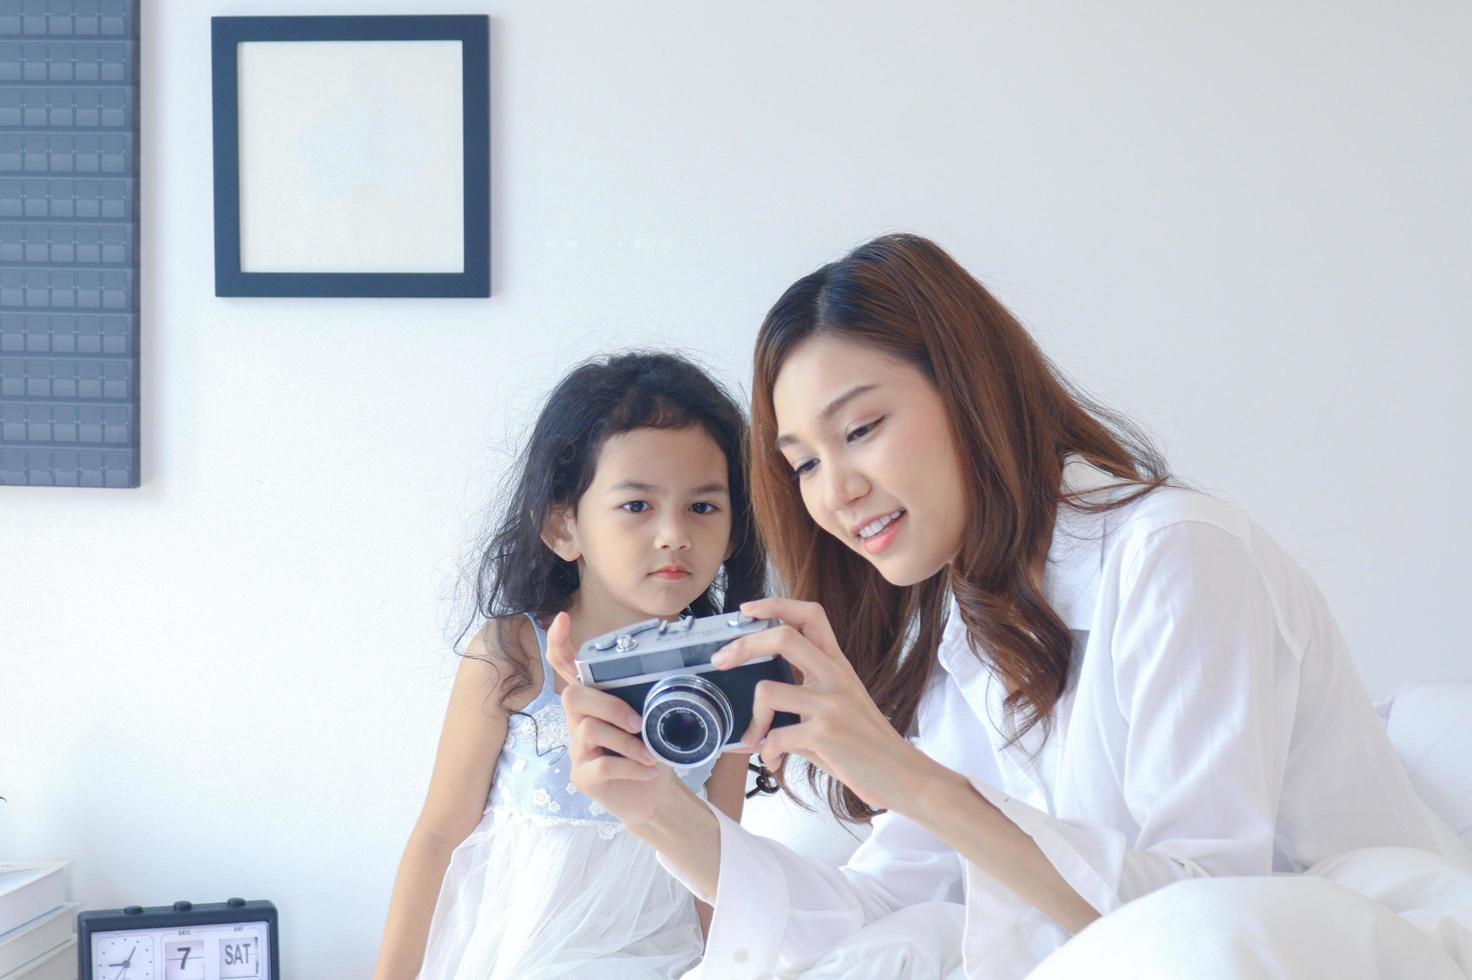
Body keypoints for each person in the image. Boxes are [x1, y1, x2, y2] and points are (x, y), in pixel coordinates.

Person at [549, 235, 1472, 979]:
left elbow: (1197, 922)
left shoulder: (1178, 555)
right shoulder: (964, 623)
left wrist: (901, 772)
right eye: (803, 463)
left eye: (861, 429)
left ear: (970, 387)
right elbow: (887, 908)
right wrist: (655, 811)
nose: (835, 493)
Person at [373, 352, 766, 980]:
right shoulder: (512, 655)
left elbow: (721, 870)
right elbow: (438, 836)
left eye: (703, 506)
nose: (674, 534)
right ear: (563, 527)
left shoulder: (725, 674)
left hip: (666, 962)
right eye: (637, 506)